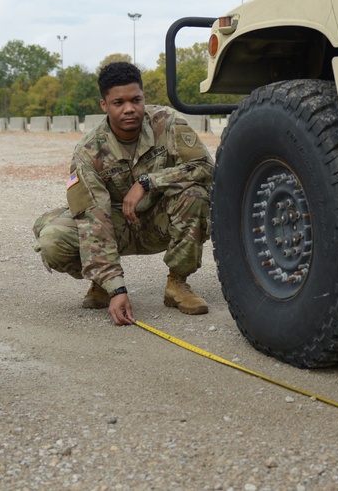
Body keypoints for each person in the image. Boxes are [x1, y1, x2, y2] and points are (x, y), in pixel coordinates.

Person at [33, 61, 213, 326]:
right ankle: (102, 283)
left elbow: (205, 168)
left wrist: (148, 182)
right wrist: (116, 288)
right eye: (119, 103)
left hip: (157, 220)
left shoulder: (168, 122)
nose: (130, 109)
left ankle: (177, 283)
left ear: (143, 98)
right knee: (52, 240)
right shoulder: (88, 151)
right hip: (114, 225)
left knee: (195, 196)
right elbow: (94, 217)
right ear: (104, 105)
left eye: (136, 100)